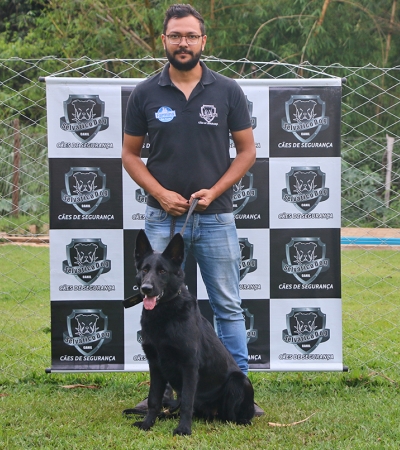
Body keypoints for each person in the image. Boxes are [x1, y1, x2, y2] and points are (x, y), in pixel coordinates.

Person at [122, 3, 263, 416]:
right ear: (163, 40)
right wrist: (161, 194)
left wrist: (215, 190)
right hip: (161, 218)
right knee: (158, 304)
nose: (183, 43)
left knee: (228, 306)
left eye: (190, 36)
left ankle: (241, 391)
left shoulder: (227, 91)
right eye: (175, 36)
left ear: (203, 41)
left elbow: (247, 151)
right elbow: (130, 155)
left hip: (216, 216)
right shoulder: (145, 93)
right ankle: (163, 395)